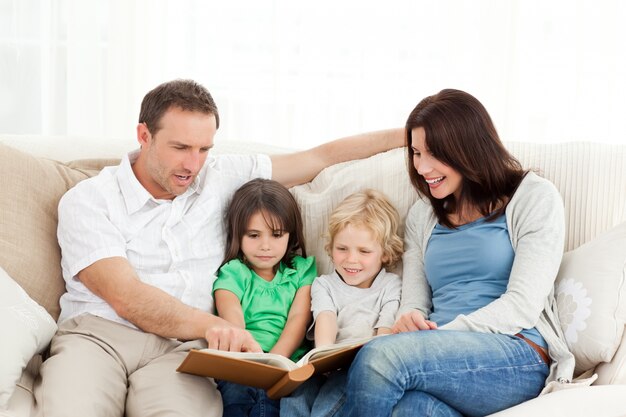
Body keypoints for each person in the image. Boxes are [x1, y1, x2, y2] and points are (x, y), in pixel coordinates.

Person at [33, 79, 404, 417]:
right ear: (143, 135)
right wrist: (218, 327)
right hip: (99, 337)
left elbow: (319, 158)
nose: (192, 164)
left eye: (203, 149)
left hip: (180, 353)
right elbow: (127, 297)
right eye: (180, 148)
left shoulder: (221, 176)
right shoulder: (89, 200)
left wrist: (414, 134)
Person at [342, 89, 575, 417]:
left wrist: (437, 337)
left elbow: (521, 306)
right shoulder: (422, 215)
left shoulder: (535, 197)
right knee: (409, 410)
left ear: (467, 147)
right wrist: (410, 319)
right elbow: (415, 302)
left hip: (516, 352)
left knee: (381, 357)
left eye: (433, 153)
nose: (422, 167)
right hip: (437, 353)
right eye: (415, 153)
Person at [281, 188, 403, 417]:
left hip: (360, 368)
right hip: (325, 363)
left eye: (364, 251)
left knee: (327, 406)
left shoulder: (390, 285)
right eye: (342, 249)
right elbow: (325, 318)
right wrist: (324, 353)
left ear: (385, 253)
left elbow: (385, 332)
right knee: (295, 394)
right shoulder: (323, 284)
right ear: (331, 247)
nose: (351, 259)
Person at [213, 178, 317, 417]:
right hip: (242, 361)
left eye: (277, 234)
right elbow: (233, 319)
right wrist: (253, 361)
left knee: (279, 405)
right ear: (238, 235)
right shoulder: (233, 272)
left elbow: (299, 320)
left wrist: (274, 361)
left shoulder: (302, 270)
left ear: (290, 235)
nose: (265, 246)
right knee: (236, 397)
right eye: (253, 235)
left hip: (287, 365)